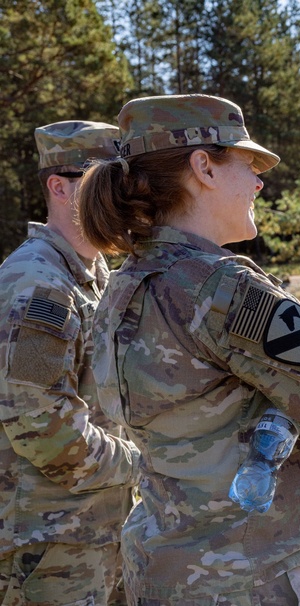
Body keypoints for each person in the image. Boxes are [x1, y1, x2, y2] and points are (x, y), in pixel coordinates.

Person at [76, 94, 300, 605]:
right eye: (248, 163)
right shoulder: (221, 289)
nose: (259, 181)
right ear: (203, 167)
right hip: (248, 577)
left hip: (165, 569)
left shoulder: (123, 285)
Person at [0, 121, 140, 605]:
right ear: (59, 187)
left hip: (93, 530)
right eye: (104, 182)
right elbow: (43, 426)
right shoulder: (39, 283)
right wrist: (144, 465)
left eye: (124, 183)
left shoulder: (96, 276)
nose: (122, 197)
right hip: (48, 545)